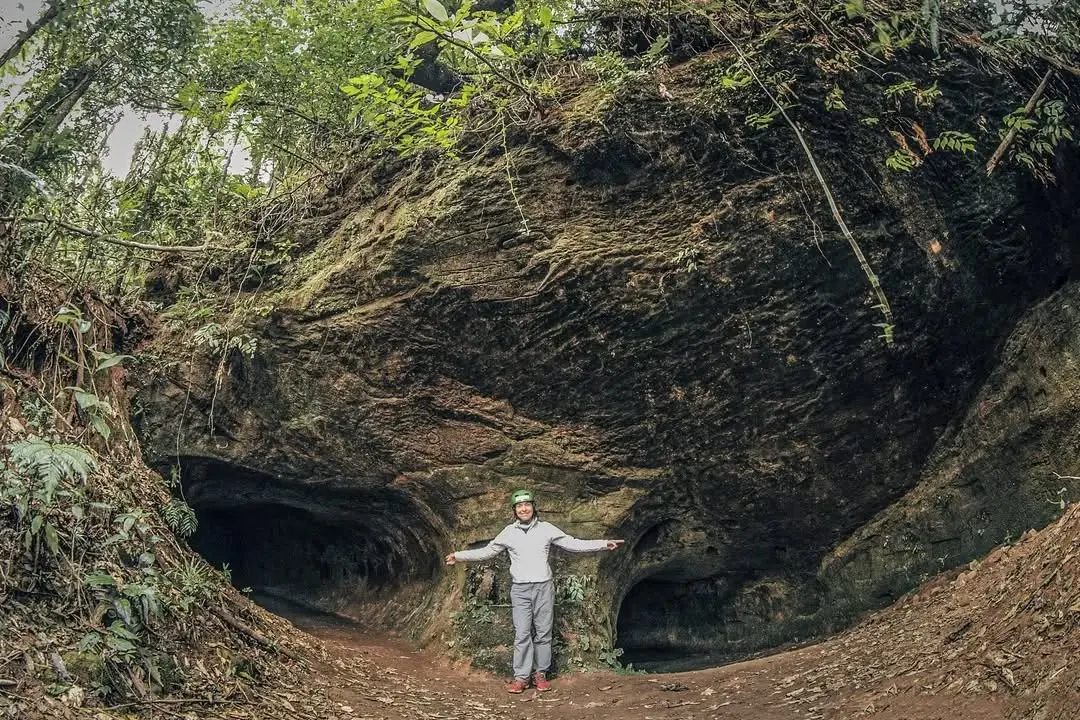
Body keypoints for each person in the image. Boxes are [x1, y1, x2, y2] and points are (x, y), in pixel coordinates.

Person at [445, 489, 624, 693]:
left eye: (527, 504)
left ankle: (540, 674)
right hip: (520, 589)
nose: (524, 509)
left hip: (543, 587)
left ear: (533, 506)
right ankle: (521, 678)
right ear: (514, 510)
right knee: (522, 633)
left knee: (543, 632)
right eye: (519, 506)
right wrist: (459, 556)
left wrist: (603, 544)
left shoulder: (546, 529)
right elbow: (487, 551)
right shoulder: (508, 532)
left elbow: (572, 543)